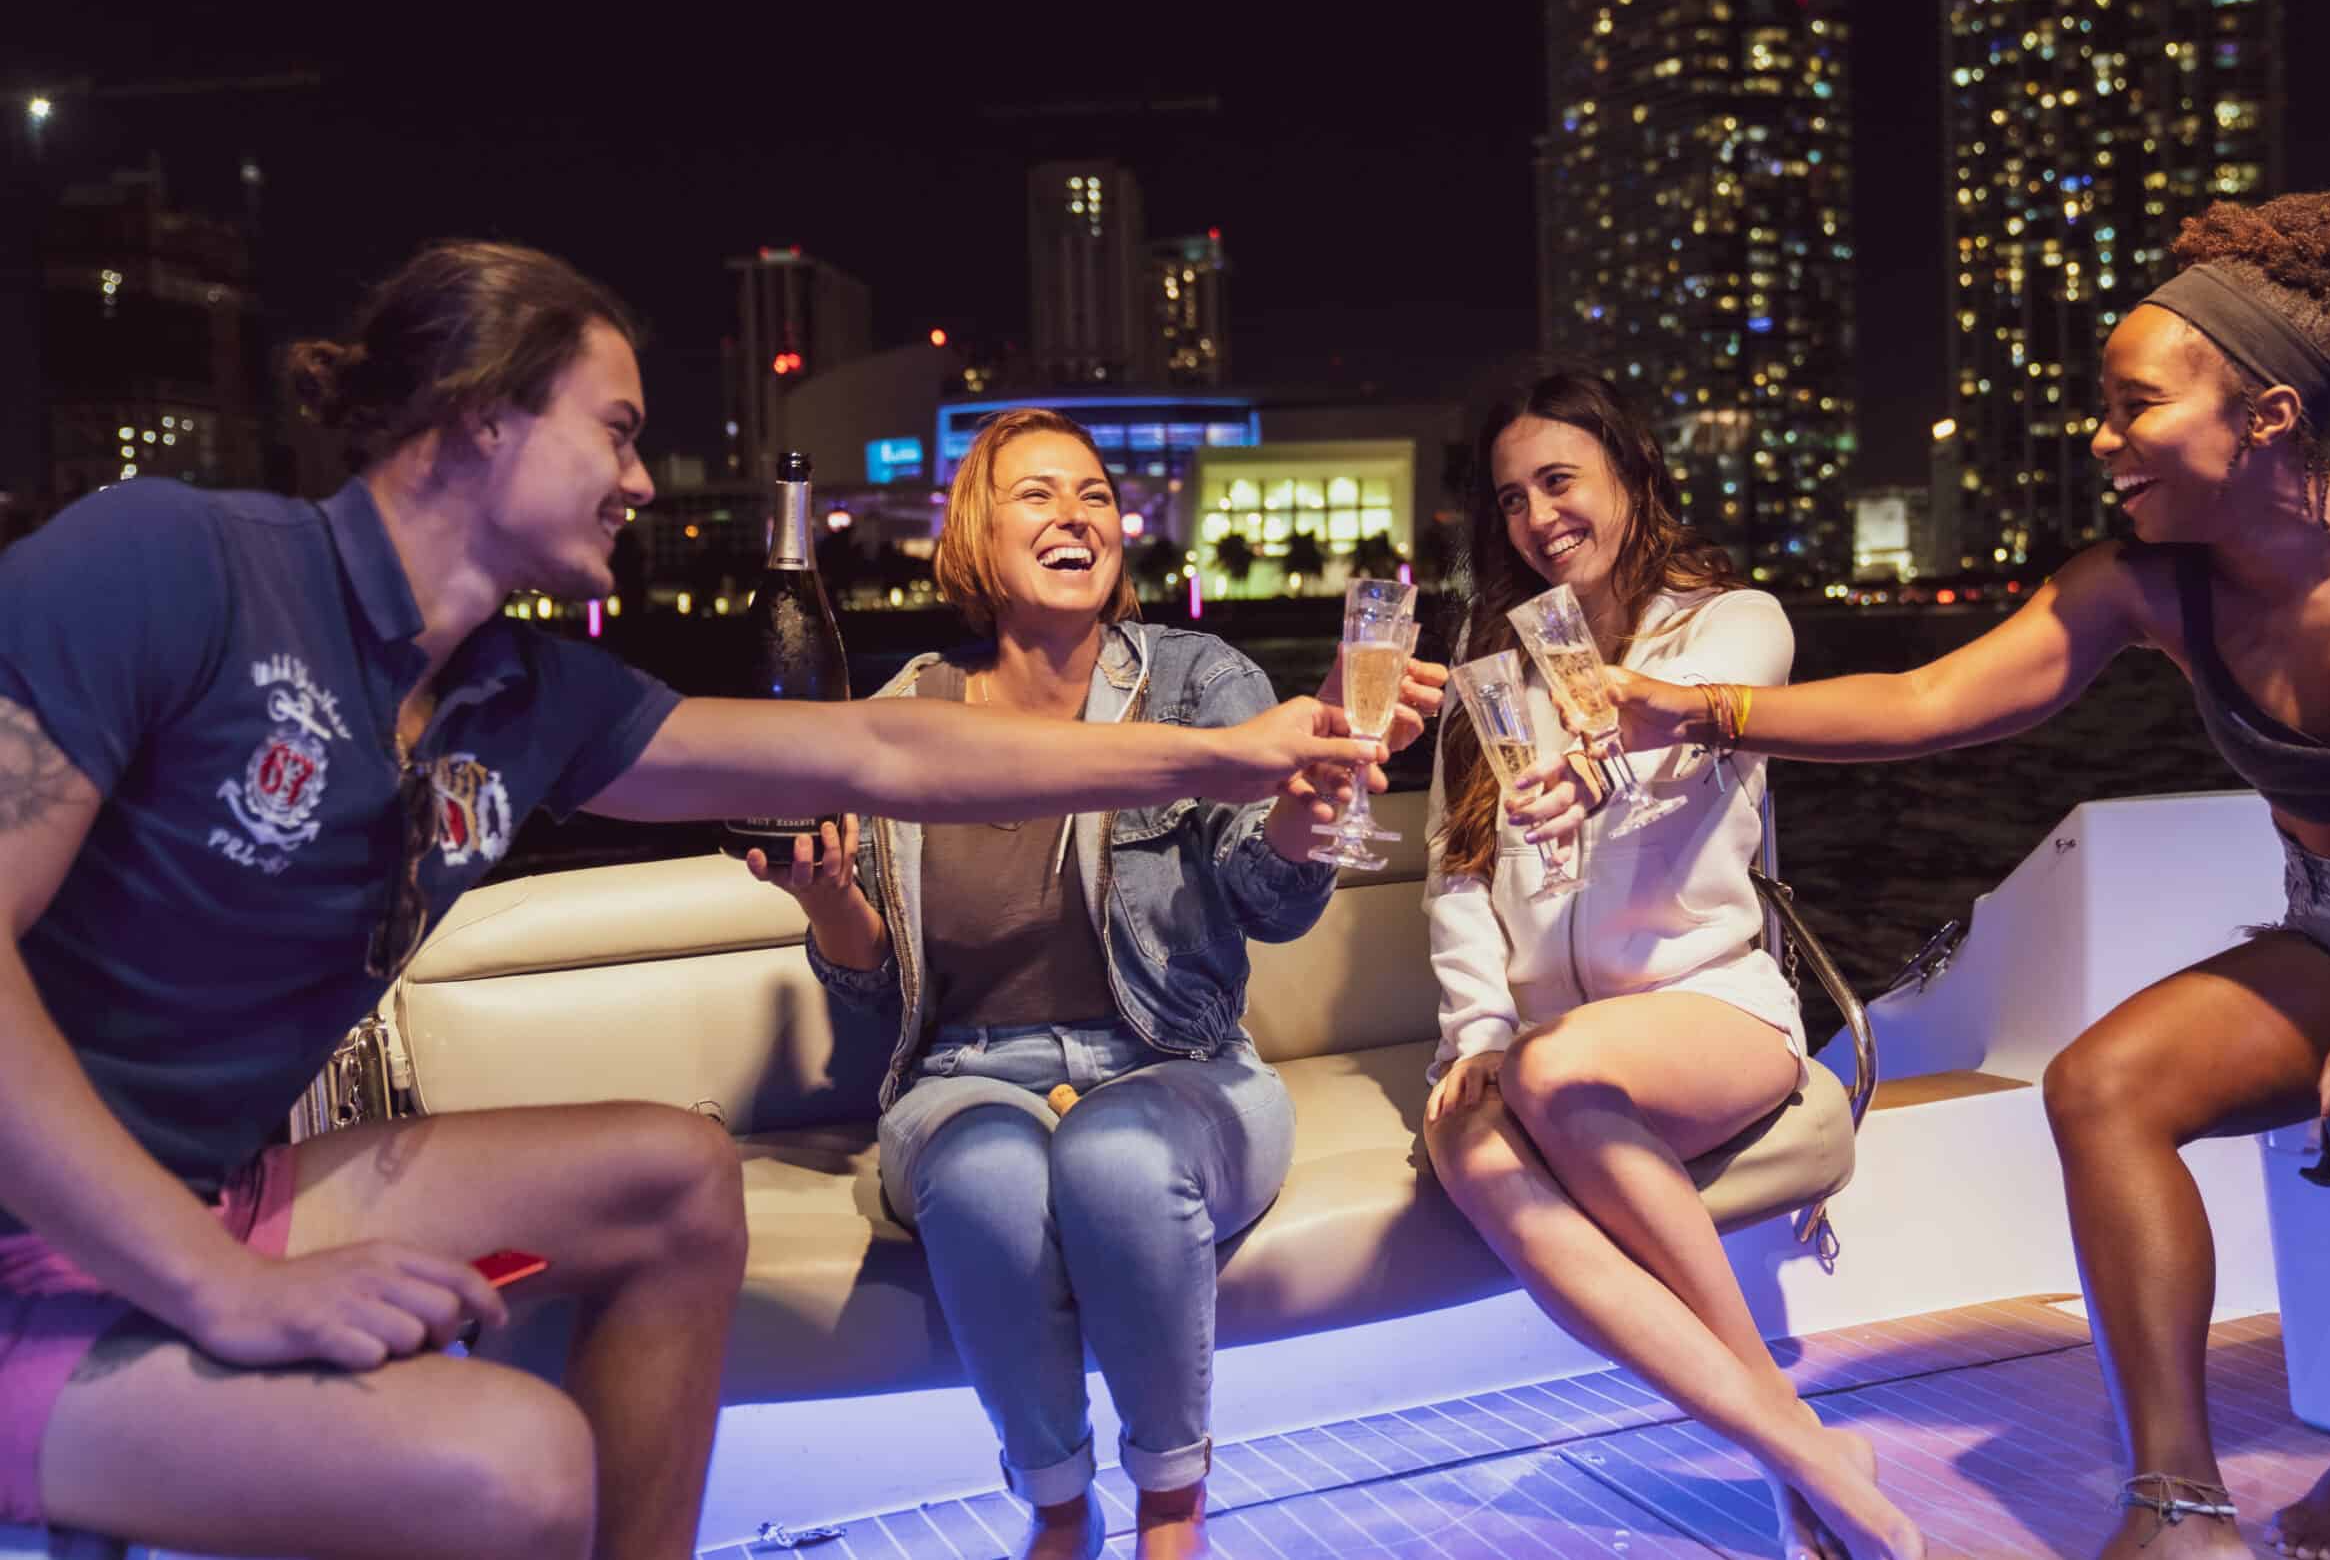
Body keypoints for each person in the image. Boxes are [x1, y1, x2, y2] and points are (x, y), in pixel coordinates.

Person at [0, 244, 1381, 1560]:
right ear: (484, 416)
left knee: (674, 1171)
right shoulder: (170, 563)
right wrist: (212, 1281)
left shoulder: (517, 699)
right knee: (525, 1459)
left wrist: (1236, 749)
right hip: (45, 1228)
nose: (644, 482)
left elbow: (881, 749)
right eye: (614, 431)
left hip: (211, 1189)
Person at [1521, 195, 2330, 1560]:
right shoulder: (2144, 584)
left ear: (2264, 417)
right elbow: (1927, 698)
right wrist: (1697, 708)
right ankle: (2176, 1500)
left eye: (2134, 407)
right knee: (2099, 1083)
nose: (2100, 438)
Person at [741, 408, 1442, 1560]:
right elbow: (877, 999)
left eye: (1095, 495)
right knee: (981, 1180)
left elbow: (1266, 901)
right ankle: (1059, 1510)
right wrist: (823, 899)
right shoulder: (902, 710)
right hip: (966, 1076)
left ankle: (1173, 1515)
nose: (1075, 516)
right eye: (1036, 495)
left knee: (1117, 1159)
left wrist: (1307, 821)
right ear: (973, 533)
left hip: (1177, 1067)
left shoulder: (1194, 678)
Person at [1421, 370, 1926, 1560]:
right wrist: (1477, 1033)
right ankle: (1803, 1450)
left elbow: (1681, 728)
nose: (1537, 516)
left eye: (1559, 480)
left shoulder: (1732, 623)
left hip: (1710, 1010)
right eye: (1509, 498)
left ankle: (1785, 1438)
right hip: (1543, 1036)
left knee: (1557, 1076)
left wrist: (1602, 759)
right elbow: (1454, 876)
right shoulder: (1489, 670)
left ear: (1632, 479)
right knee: (1468, 1133)